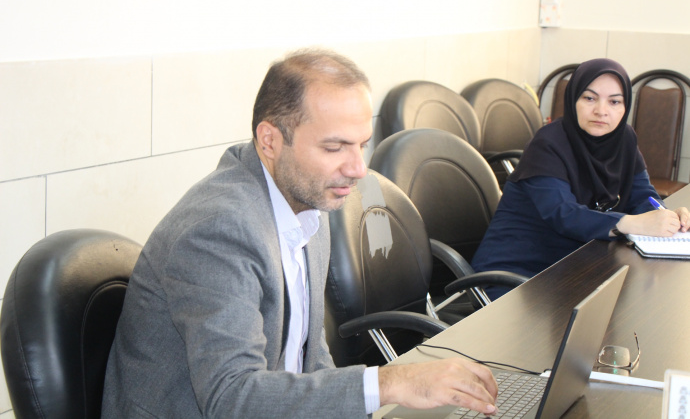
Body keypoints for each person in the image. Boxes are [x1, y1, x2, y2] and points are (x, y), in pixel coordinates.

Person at [102, 48, 498, 418]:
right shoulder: (218, 231)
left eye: (361, 145)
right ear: (270, 141)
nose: (358, 169)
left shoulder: (307, 203)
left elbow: (310, 356)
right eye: (335, 147)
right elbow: (232, 397)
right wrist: (389, 383)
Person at [471, 58, 690, 295]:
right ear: (573, 99)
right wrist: (632, 223)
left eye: (614, 101)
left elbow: (642, 194)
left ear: (625, 107)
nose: (601, 111)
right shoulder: (548, 144)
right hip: (516, 277)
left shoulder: (624, 139)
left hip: (577, 270)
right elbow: (564, 214)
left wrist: (665, 216)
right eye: (589, 98)